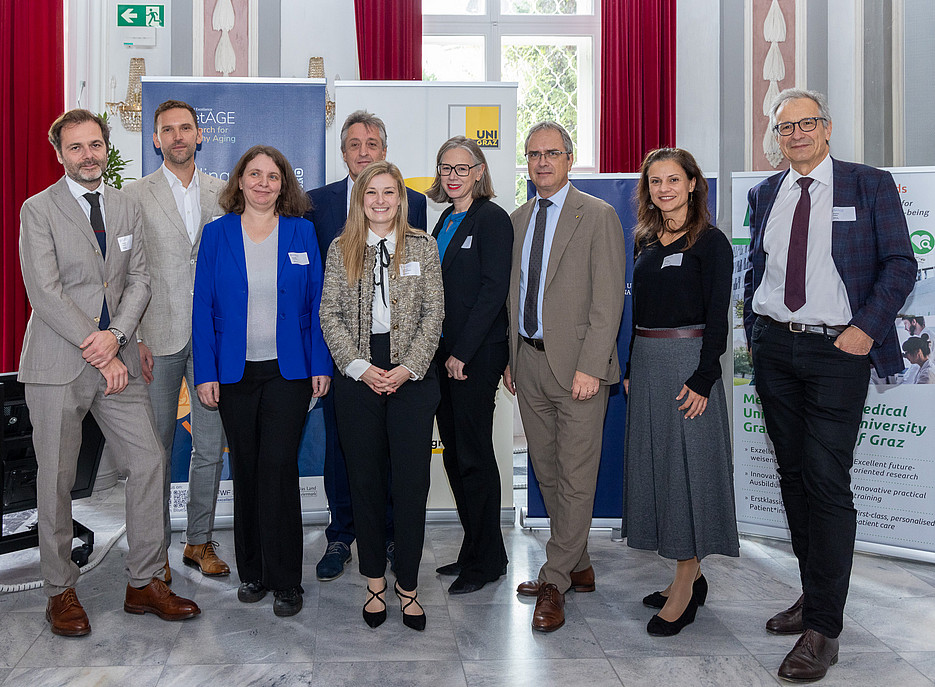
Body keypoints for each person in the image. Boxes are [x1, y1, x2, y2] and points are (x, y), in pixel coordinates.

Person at [742, 88, 916, 682]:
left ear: (828, 128)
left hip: (838, 349)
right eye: (784, 126)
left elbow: (901, 263)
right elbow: (758, 270)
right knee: (791, 475)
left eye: (805, 124)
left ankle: (824, 629)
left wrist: (865, 330)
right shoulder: (764, 193)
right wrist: (755, 332)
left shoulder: (868, 184)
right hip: (775, 348)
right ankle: (814, 595)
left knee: (824, 478)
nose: (794, 134)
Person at [18, 109, 200, 637]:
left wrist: (116, 337)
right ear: (60, 154)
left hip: (117, 360)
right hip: (58, 362)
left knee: (147, 461)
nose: (88, 155)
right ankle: (59, 589)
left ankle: (144, 581)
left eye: (95, 144)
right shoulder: (39, 209)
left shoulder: (123, 207)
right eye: (76, 148)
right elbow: (44, 291)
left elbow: (139, 279)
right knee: (55, 478)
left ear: (106, 147)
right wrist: (99, 345)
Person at [192, 145, 331, 618]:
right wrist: (206, 374)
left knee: (278, 468)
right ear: (240, 181)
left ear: (283, 184)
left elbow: (316, 307)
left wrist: (320, 365)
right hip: (234, 374)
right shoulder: (217, 235)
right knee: (247, 470)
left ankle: (287, 580)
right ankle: (253, 572)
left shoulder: (302, 232)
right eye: (255, 174)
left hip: (288, 372)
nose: (263, 183)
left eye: (273, 176)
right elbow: (203, 309)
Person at [503, 121, 626, 633]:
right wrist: (510, 357)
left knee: (576, 476)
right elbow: (514, 295)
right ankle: (576, 562)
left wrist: (592, 367)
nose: (542, 163)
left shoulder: (598, 215)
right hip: (527, 363)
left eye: (552, 153)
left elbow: (607, 299)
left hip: (579, 367)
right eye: (533, 155)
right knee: (548, 472)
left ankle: (554, 579)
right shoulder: (516, 219)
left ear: (570, 159)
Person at [319, 160, 443, 631]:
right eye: (372, 193)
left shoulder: (423, 247)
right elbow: (329, 313)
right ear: (360, 198)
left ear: (400, 198)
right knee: (365, 481)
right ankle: (374, 582)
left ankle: (408, 586)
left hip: (414, 375)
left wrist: (408, 367)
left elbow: (435, 313)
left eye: (389, 192)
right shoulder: (340, 248)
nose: (380, 201)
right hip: (358, 377)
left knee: (411, 485)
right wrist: (361, 367)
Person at [305, 110, 427, 581]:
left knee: (394, 452)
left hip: (400, 355)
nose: (363, 152)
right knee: (341, 446)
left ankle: (392, 535)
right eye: (354, 144)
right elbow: (318, 291)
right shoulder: (317, 204)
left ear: (383, 151)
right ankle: (342, 534)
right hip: (344, 354)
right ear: (343, 153)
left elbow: (425, 296)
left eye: (371, 143)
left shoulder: (411, 202)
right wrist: (338, 357)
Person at [622, 148, 740, 637]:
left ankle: (686, 585)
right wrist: (631, 366)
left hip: (689, 365)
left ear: (693, 183)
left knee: (689, 473)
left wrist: (703, 378)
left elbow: (719, 318)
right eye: (655, 182)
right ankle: (685, 574)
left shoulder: (712, 243)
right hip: (648, 365)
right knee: (660, 469)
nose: (664, 189)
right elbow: (640, 312)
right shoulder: (645, 240)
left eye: (673, 179)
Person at [124, 99, 229, 581]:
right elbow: (127, 271)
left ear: (200, 135)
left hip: (211, 339)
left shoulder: (224, 192)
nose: (178, 136)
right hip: (155, 336)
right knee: (156, 450)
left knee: (210, 446)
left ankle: (199, 542)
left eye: (186, 128)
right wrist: (137, 336)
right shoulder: (134, 194)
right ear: (156, 139)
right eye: (168, 130)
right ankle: (155, 552)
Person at [426, 136, 512, 595]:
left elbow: (492, 292)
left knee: (475, 456)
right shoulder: (444, 219)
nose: (453, 175)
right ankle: (477, 549)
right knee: (457, 457)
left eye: (463, 167)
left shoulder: (492, 218)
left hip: (473, 356)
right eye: (446, 168)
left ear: (480, 171)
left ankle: (487, 561)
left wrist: (463, 353)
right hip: (442, 355)